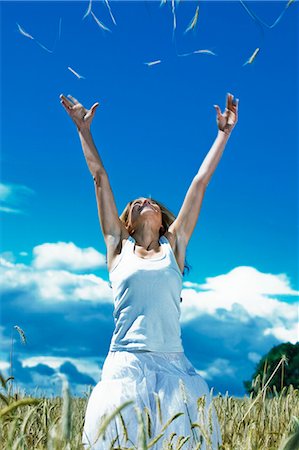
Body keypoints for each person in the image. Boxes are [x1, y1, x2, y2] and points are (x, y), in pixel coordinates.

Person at [59, 92, 238, 449]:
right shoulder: (118, 248)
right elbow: (99, 178)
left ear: (161, 222)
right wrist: (83, 129)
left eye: (152, 202)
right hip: (124, 364)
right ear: (126, 222)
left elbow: (200, 183)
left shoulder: (175, 246)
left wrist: (223, 135)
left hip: (174, 368)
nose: (145, 202)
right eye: (138, 202)